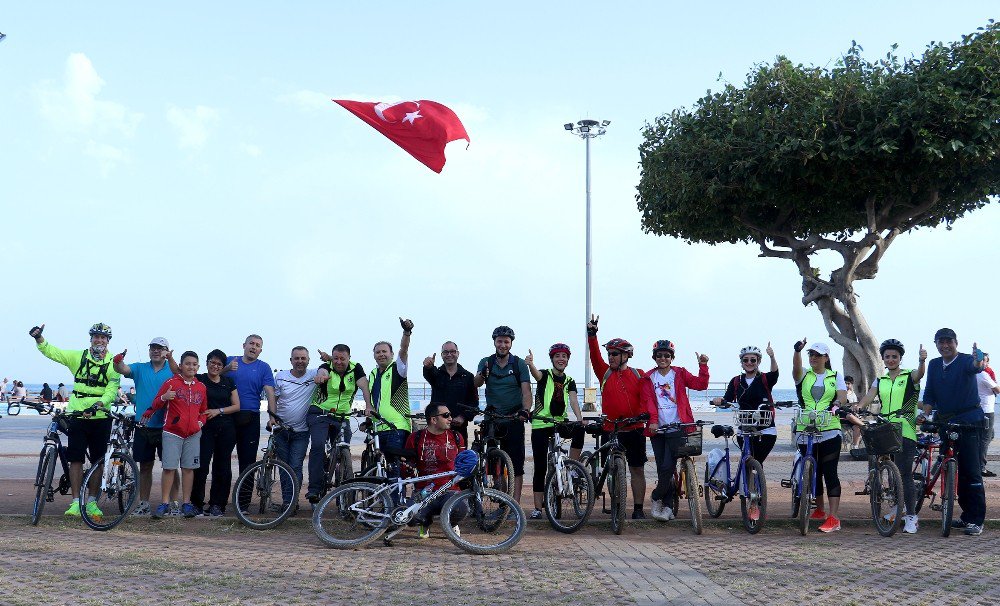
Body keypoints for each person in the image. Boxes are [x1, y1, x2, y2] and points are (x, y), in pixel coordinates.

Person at [29, 322, 121, 517]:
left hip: (100, 417)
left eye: (103, 338)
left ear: (108, 341)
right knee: (76, 460)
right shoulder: (78, 357)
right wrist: (39, 338)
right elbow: (54, 353)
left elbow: (112, 391)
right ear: (91, 339)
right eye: (96, 336)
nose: (99, 340)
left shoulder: (114, 363)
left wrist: (99, 404)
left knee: (98, 461)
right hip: (77, 416)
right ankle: (75, 502)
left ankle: (92, 503)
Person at [922, 328, 989, 535]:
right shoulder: (934, 364)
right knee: (953, 468)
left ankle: (976, 520)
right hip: (945, 421)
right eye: (940, 342)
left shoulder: (966, 360)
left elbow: (976, 367)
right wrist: (925, 415)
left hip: (970, 421)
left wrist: (979, 360)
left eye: (948, 341)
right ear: (936, 344)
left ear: (956, 342)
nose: (944, 346)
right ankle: (964, 516)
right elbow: (930, 394)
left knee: (972, 471)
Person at [856, 339, 926, 534]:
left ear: (900, 358)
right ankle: (897, 507)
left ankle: (912, 516)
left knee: (904, 474)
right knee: (890, 473)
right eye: (887, 356)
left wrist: (922, 361)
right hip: (885, 429)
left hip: (905, 430)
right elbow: (869, 396)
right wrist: (859, 406)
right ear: (883, 359)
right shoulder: (881, 380)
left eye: (894, 356)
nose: (891, 359)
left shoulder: (909, 376)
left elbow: (920, 374)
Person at [791, 339, 859, 533]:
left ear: (826, 358)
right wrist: (797, 351)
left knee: (829, 472)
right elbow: (796, 369)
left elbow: (842, 396)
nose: (813, 357)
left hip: (829, 428)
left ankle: (834, 517)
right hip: (806, 428)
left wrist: (837, 404)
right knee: (813, 472)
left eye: (817, 355)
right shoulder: (804, 374)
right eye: (810, 354)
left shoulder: (834, 375)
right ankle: (819, 510)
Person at [586, 315, 649, 519]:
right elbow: (594, 355)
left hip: (635, 428)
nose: (610, 357)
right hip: (610, 429)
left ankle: (638, 509)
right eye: (609, 353)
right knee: (613, 470)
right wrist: (592, 335)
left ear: (626, 355)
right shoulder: (604, 372)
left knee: (637, 469)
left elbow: (651, 396)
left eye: (614, 354)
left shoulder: (639, 374)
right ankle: (617, 505)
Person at [641, 339, 710, 522]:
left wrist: (703, 366)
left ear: (672, 358)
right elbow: (648, 402)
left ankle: (656, 497)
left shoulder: (679, 373)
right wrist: (653, 422)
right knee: (663, 470)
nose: (663, 358)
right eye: (659, 355)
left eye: (666, 355)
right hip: (657, 430)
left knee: (667, 466)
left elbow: (700, 385)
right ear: (654, 357)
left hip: (678, 427)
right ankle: (668, 508)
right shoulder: (649, 378)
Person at [113, 337, 176, 517]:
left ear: (167, 351)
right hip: (143, 426)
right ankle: (144, 503)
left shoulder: (172, 370)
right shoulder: (140, 368)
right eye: (153, 348)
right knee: (145, 466)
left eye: (160, 348)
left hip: (167, 426)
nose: (156, 351)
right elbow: (122, 369)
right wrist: (118, 360)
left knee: (170, 467)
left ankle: (174, 503)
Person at [144, 351, 208, 518]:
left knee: (188, 469)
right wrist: (165, 397)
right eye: (187, 363)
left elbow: (204, 411)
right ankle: (164, 503)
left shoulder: (201, 387)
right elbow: (156, 403)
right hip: (172, 433)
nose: (191, 367)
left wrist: (200, 423)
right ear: (180, 366)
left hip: (193, 434)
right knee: (169, 468)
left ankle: (186, 503)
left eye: (194, 364)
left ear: (198, 367)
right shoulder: (171, 382)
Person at [525, 343, 585, 519]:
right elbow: (536, 375)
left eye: (564, 356)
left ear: (567, 360)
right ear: (552, 359)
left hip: (560, 422)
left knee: (579, 430)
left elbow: (573, 401)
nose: (561, 359)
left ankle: (573, 468)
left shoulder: (569, 381)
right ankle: (538, 508)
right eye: (557, 356)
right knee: (540, 466)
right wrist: (530, 364)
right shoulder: (545, 374)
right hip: (541, 424)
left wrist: (580, 418)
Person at [306, 344, 370, 503]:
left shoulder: (356, 369)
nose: (339, 362)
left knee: (343, 447)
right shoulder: (326, 366)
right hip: (320, 413)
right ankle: (314, 489)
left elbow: (364, 386)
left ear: (349, 358)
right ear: (331, 358)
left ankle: (342, 489)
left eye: (343, 359)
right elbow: (322, 372)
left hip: (342, 416)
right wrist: (321, 376)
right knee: (318, 447)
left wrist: (368, 406)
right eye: (336, 358)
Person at [475, 325, 532, 505]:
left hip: (514, 417)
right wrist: (482, 375)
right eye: (499, 341)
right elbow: (475, 383)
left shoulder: (519, 364)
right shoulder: (486, 362)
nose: (503, 345)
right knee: (492, 463)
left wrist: (525, 410)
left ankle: (514, 503)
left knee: (516, 464)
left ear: (511, 344)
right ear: (494, 342)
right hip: (492, 417)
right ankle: (500, 494)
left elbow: (526, 392)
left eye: (506, 342)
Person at [272, 347, 326, 509]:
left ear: (308, 360)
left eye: (303, 358)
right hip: (281, 430)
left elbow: (328, 368)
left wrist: (325, 365)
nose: (300, 361)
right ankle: (288, 502)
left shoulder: (313, 374)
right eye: (296, 358)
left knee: (295, 466)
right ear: (291, 360)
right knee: (284, 467)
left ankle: (293, 501)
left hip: (301, 432)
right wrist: (272, 417)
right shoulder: (280, 376)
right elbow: (273, 399)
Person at [404, 402, 467, 538]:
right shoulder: (415, 438)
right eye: (446, 415)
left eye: (450, 415)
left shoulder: (456, 437)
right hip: (424, 492)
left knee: (460, 508)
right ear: (433, 420)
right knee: (409, 515)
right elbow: (406, 469)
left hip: (450, 490)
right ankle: (424, 522)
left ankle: (450, 522)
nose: (451, 418)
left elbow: (464, 464)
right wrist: (406, 467)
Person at [191, 349, 240, 516]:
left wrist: (217, 411)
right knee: (201, 466)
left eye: (219, 364)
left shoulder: (228, 382)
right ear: (206, 363)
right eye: (212, 362)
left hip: (226, 428)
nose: (215, 366)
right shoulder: (200, 379)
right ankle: (196, 503)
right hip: (204, 429)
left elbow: (236, 406)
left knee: (222, 467)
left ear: (223, 366)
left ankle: (217, 504)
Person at [226, 335, 277, 494]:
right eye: (251, 344)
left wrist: (272, 417)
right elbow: (213, 376)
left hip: (251, 417)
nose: (254, 347)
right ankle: (218, 503)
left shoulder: (264, 367)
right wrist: (227, 369)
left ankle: (243, 503)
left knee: (247, 462)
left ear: (260, 350)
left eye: (258, 345)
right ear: (244, 345)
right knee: (222, 460)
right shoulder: (230, 360)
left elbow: (270, 392)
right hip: (228, 416)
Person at [711, 344, 779, 464]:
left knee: (756, 462)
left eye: (753, 360)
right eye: (745, 360)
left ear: (758, 361)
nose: (749, 362)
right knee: (747, 462)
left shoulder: (764, 379)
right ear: (741, 362)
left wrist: (772, 356)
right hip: (744, 429)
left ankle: (756, 481)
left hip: (766, 430)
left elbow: (774, 373)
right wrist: (719, 401)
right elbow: (728, 399)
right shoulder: (737, 381)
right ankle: (746, 481)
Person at [367, 319, 414, 480]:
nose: (381, 354)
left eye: (384, 351)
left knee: (394, 469)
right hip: (378, 428)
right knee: (382, 470)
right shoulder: (372, 374)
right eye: (377, 352)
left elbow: (404, 349)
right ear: (374, 355)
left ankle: (394, 503)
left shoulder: (398, 368)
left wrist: (406, 332)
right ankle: (386, 501)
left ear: (392, 354)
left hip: (396, 427)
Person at [422, 341, 479, 445]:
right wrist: (428, 366)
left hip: (459, 429)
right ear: (441, 355)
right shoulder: (436, 374)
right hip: (437, 428)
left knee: (459, 459)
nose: (449, 354)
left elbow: (474, 403)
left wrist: (463, 416)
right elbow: (428, 373)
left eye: (452, 351)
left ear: (458, 353)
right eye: (445, 352)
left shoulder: (468, 376)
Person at [975, 353, 999, 477]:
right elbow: (997, 389)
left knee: (988, 436)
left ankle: (977, 463)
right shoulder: (983, 374)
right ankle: (981, 467)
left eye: (987, 361)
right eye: (984, 361)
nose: (986, 364)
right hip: (986, 411)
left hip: (980, 409)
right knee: (985, 439)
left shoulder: (976, 373)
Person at [845, 375, 863, 450]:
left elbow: (855, 406)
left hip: (851, 416)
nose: (847, 385)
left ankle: (855, 447)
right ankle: (864, 426)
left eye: (848, 383)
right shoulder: (840, 393)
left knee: (857, 428)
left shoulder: (853, 394)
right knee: (850, 416)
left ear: (851, 384)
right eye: (845, 383)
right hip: (842, 415)